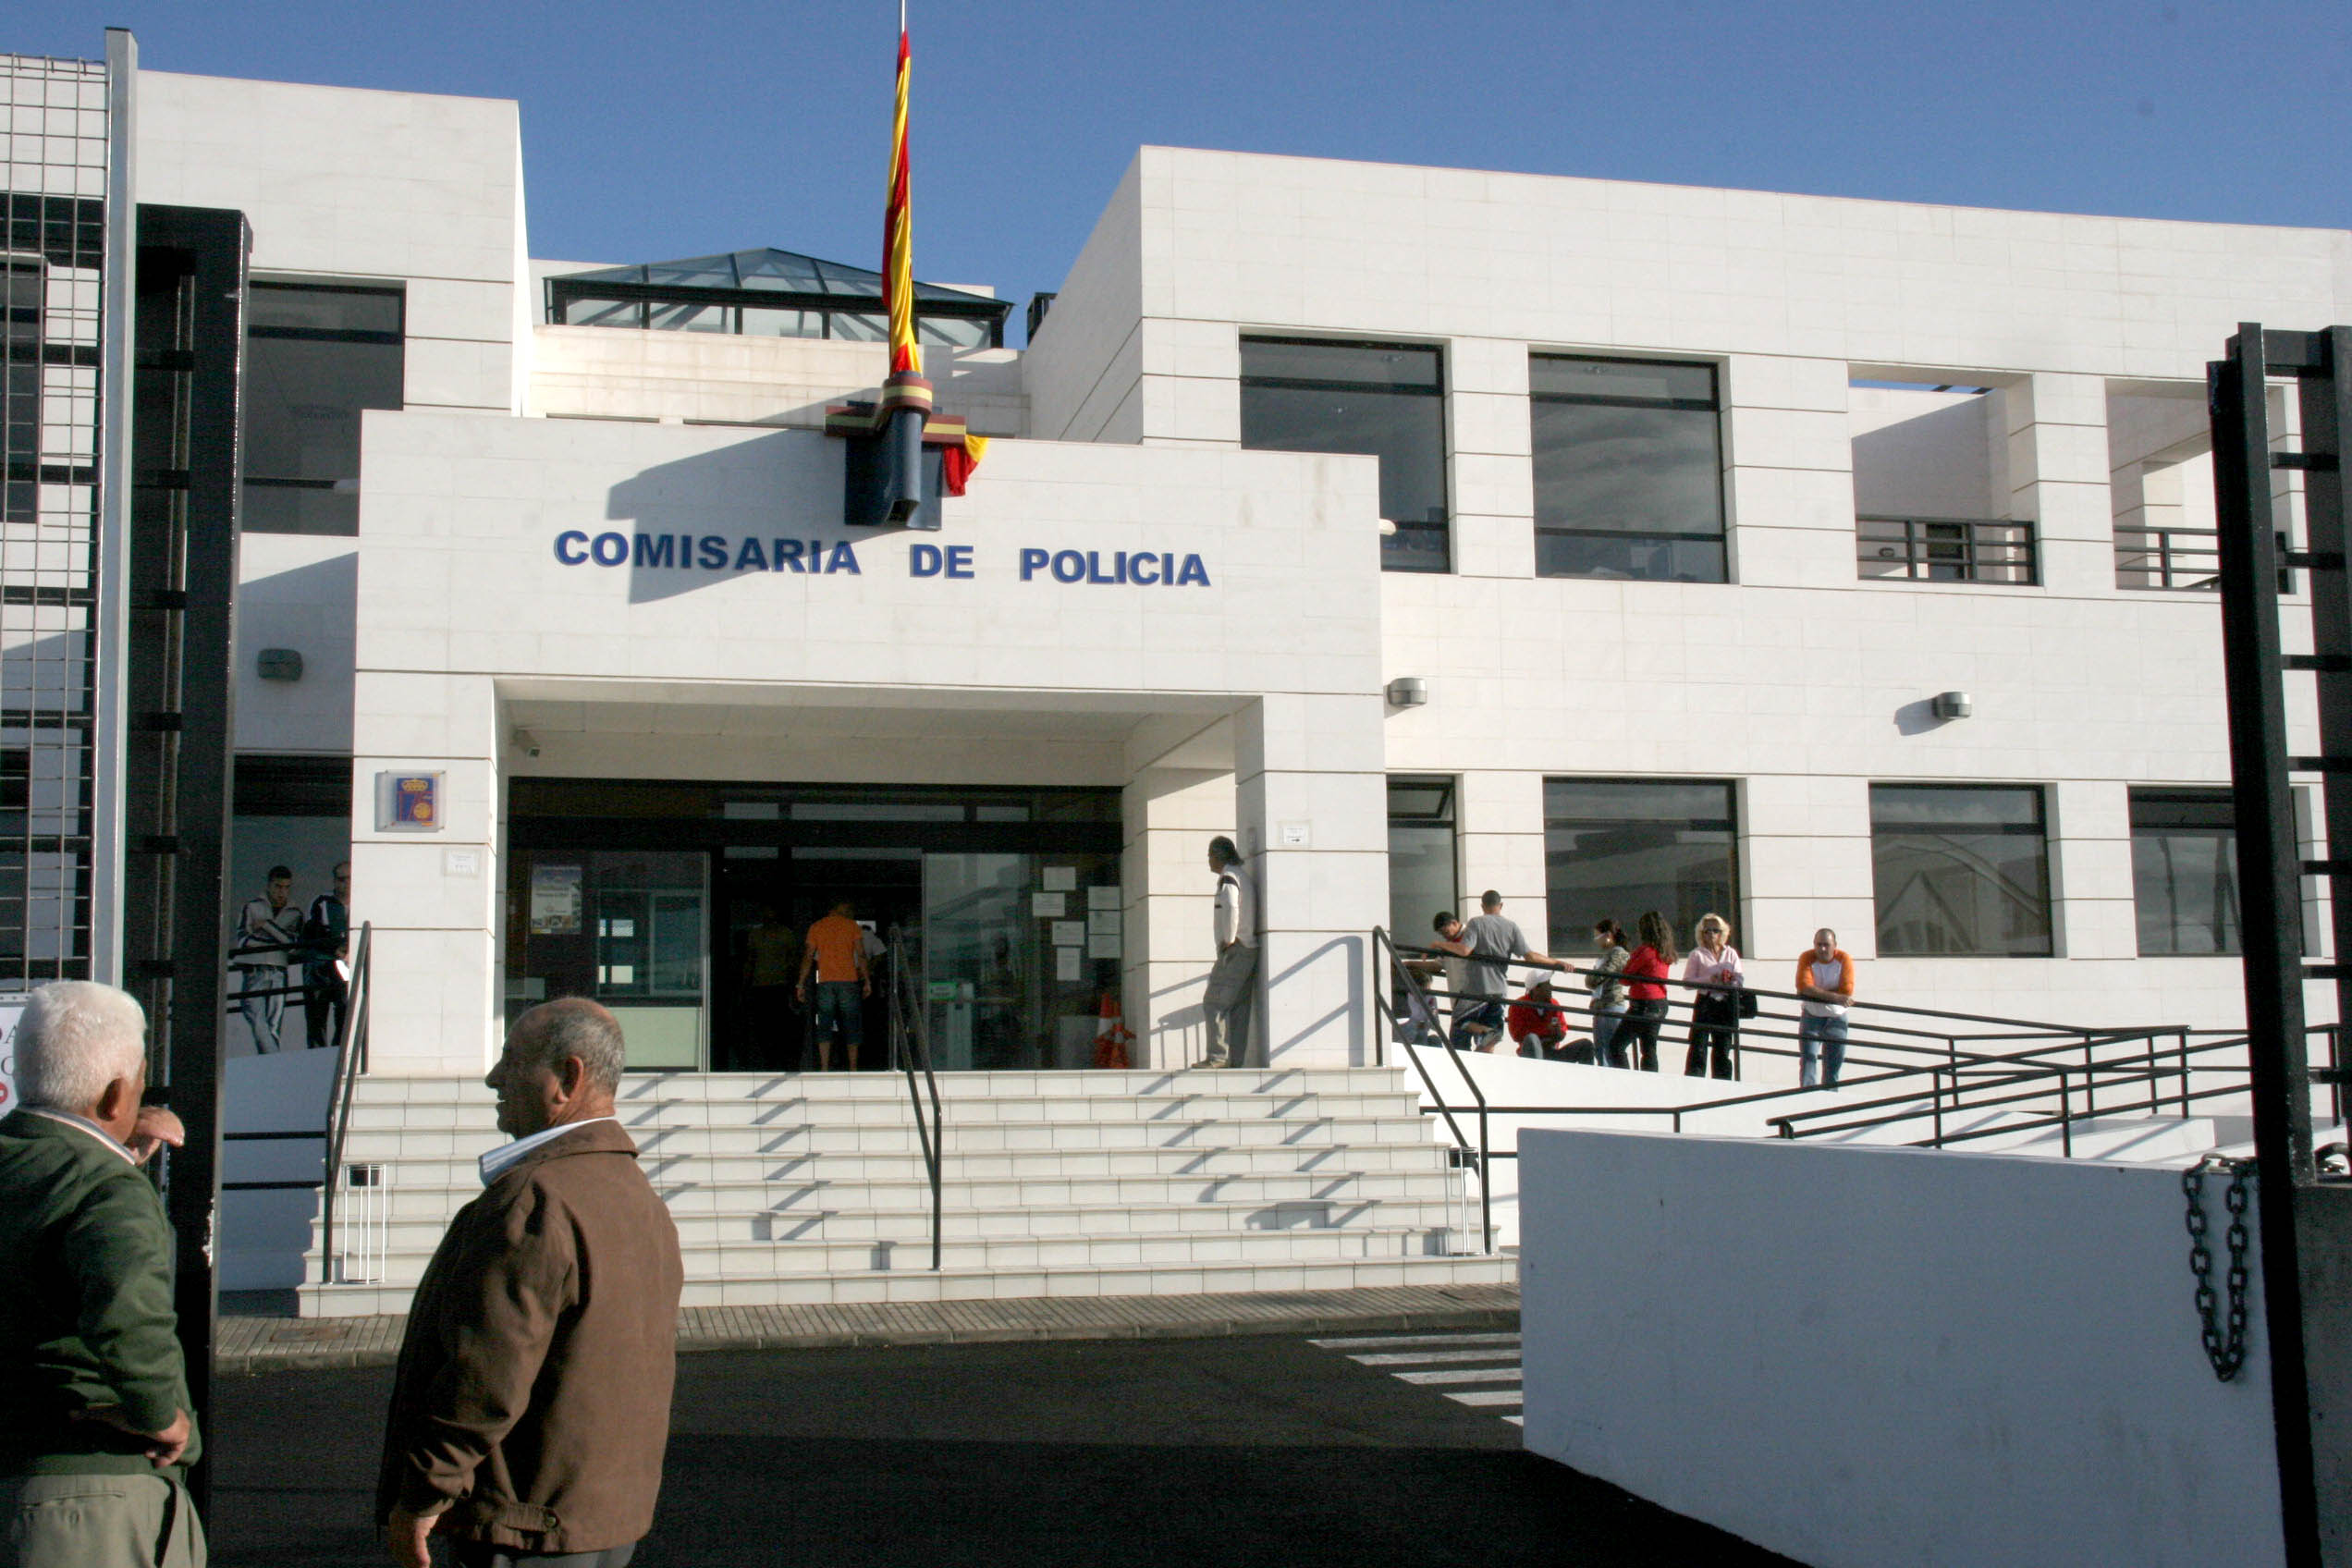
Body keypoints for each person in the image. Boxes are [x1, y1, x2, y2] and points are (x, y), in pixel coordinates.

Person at [379, 998, 683, 1568]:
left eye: (512, 1060)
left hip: (524, 1529)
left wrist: (423, 1494)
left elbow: (485, 1377)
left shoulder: (537, 1197)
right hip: (602, 1521)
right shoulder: (637, 1196)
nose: (494, 1077)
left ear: (567, 1078)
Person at [1, 982, 204, 1568]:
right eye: (139, 1083)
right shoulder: (106, 1188)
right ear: (116, 1094)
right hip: (88, 1496)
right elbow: (127, 1318)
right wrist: (159, 1413)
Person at [1433, 891, 1567, 1052]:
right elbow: (1530, 956)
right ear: (1501, 905)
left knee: (1459, 1022)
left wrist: (1438, 944)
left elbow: (1464, 950)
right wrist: (1556, 962)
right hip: (1499, 990)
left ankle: (1484, 1033)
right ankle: (1485, 1045)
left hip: (1476, 988)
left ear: (1482, 906)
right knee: (1490, 1040)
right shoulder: (1511, 927)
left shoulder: (1476, 923)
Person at [1197, 837, 1258, 1068]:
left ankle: (1217, 1057)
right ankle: (1236, 1061)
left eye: (1210, 856)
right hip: (1248, 948)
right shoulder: (1241, 875)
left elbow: (1232, 905)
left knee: (1213, 1002)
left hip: (1236, 948)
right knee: (1239, 1007)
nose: (1208, 861)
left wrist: (1229, 939)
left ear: (1218, 856)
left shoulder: (1229, 877)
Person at [231, 864, 302, 1053]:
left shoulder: (295, 913)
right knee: (258, 1021)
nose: (282, 892)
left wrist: (267, 926)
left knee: (273, 1025)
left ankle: (270, 1061)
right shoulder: (252, 907)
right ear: (269, 885)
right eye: (278, 886)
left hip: (279, 972)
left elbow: (294, 945)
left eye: (286, 887)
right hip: (254, 971)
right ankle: (274, 1059)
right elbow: (244, 941)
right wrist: (279, 939)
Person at [795, 901, 870, 1072]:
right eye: (847, 908)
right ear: (837, 908)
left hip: (825, 982)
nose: (849, 911)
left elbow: (808, 955)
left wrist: (801, 983)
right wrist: (867, 980)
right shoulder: (852, 926)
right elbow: (861, 954)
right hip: (848, 981)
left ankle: (824, 1067)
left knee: (824, 1023)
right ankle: (853, 1067)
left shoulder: (816, 927)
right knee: (851, 1023)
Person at [1681, 912, 1743, 1079]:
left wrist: (1730, 981)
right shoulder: (1697, 954)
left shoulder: (1731, 953)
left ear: (1722, 933)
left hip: (1725, 1003)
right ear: (1701, 933)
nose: (1711, 934)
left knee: (1723, 1047)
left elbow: (1740, 979)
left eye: (1715, 930)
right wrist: (1709, 980)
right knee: (1698, 1046)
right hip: (1705, 1002)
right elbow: (1687, 982)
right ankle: (1694, 1080)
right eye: (1707, 931)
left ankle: (1723, 1082)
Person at [739, 904, 800, 1072]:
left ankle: (775, 1059)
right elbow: (750, 961)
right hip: (765, 985)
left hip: (776, 985)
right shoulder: (762, 934)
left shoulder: (781, 934)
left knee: (774, 1024)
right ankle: (771, 1059)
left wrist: (795, 984)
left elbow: (793, 960)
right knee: (766, 1024)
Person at [1795, 927, 1856, 1088]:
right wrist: (1836, 997)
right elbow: (1803, 986)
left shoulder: (1844, 959)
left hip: (1837, 1017)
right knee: (1808, 1060)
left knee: (1833, 1065)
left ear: (1835, 945)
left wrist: (1815, 992)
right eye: (1818, 944)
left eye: (1826, 945)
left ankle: (1830, 1098)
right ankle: (1807, 1095)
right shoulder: (1807, 957)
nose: (1822, 949)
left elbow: (1847, 990)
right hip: (1811, 1015)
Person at [300, 860, 352, 1052]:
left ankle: (339, 1052)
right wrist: (335, 949)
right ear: (334, 881)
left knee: (345, 1009)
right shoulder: (321, 901)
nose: (346, 883)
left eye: (350, 879)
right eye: (341, 879)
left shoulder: (363, 901)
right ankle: (316, 1055)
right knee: (316, 1014)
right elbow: (311, 932)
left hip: (345, 966)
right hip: (319, 965)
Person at [1617, 911, 1677, 1072]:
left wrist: (1635, 978)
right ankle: (1650, 1081)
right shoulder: (1665, 952)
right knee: (1649, 1048)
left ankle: (1624, 1079)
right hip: (1660, 1003)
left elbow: (1625, 977)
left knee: (1617, 1045)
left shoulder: (1645, 951)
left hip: (1643, 1004)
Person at [1584, 920, 1632, 1068]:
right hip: (1603, 1007)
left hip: (1611, 1006)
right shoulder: (1609, 954)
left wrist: (1591, 977)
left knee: (1610, 1052)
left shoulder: (1618, 954)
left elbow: (1597, 978)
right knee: (1601, 1052)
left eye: (1597, 937)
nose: (1596, 941)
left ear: (1608, 935)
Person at [1505, 978, 1580, 1061]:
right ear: (1536, 988)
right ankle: (1538, 1068)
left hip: (1552, 1052)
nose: (1551, 987)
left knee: (1585, 1045)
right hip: (1531, 1052)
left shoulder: (1554, 1004)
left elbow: (1562, 1032)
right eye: (1547, 984)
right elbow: (1516, 1035)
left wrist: (1558, 1032)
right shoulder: (1519, 1005)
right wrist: (1545, 1030)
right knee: (1532, 1038)